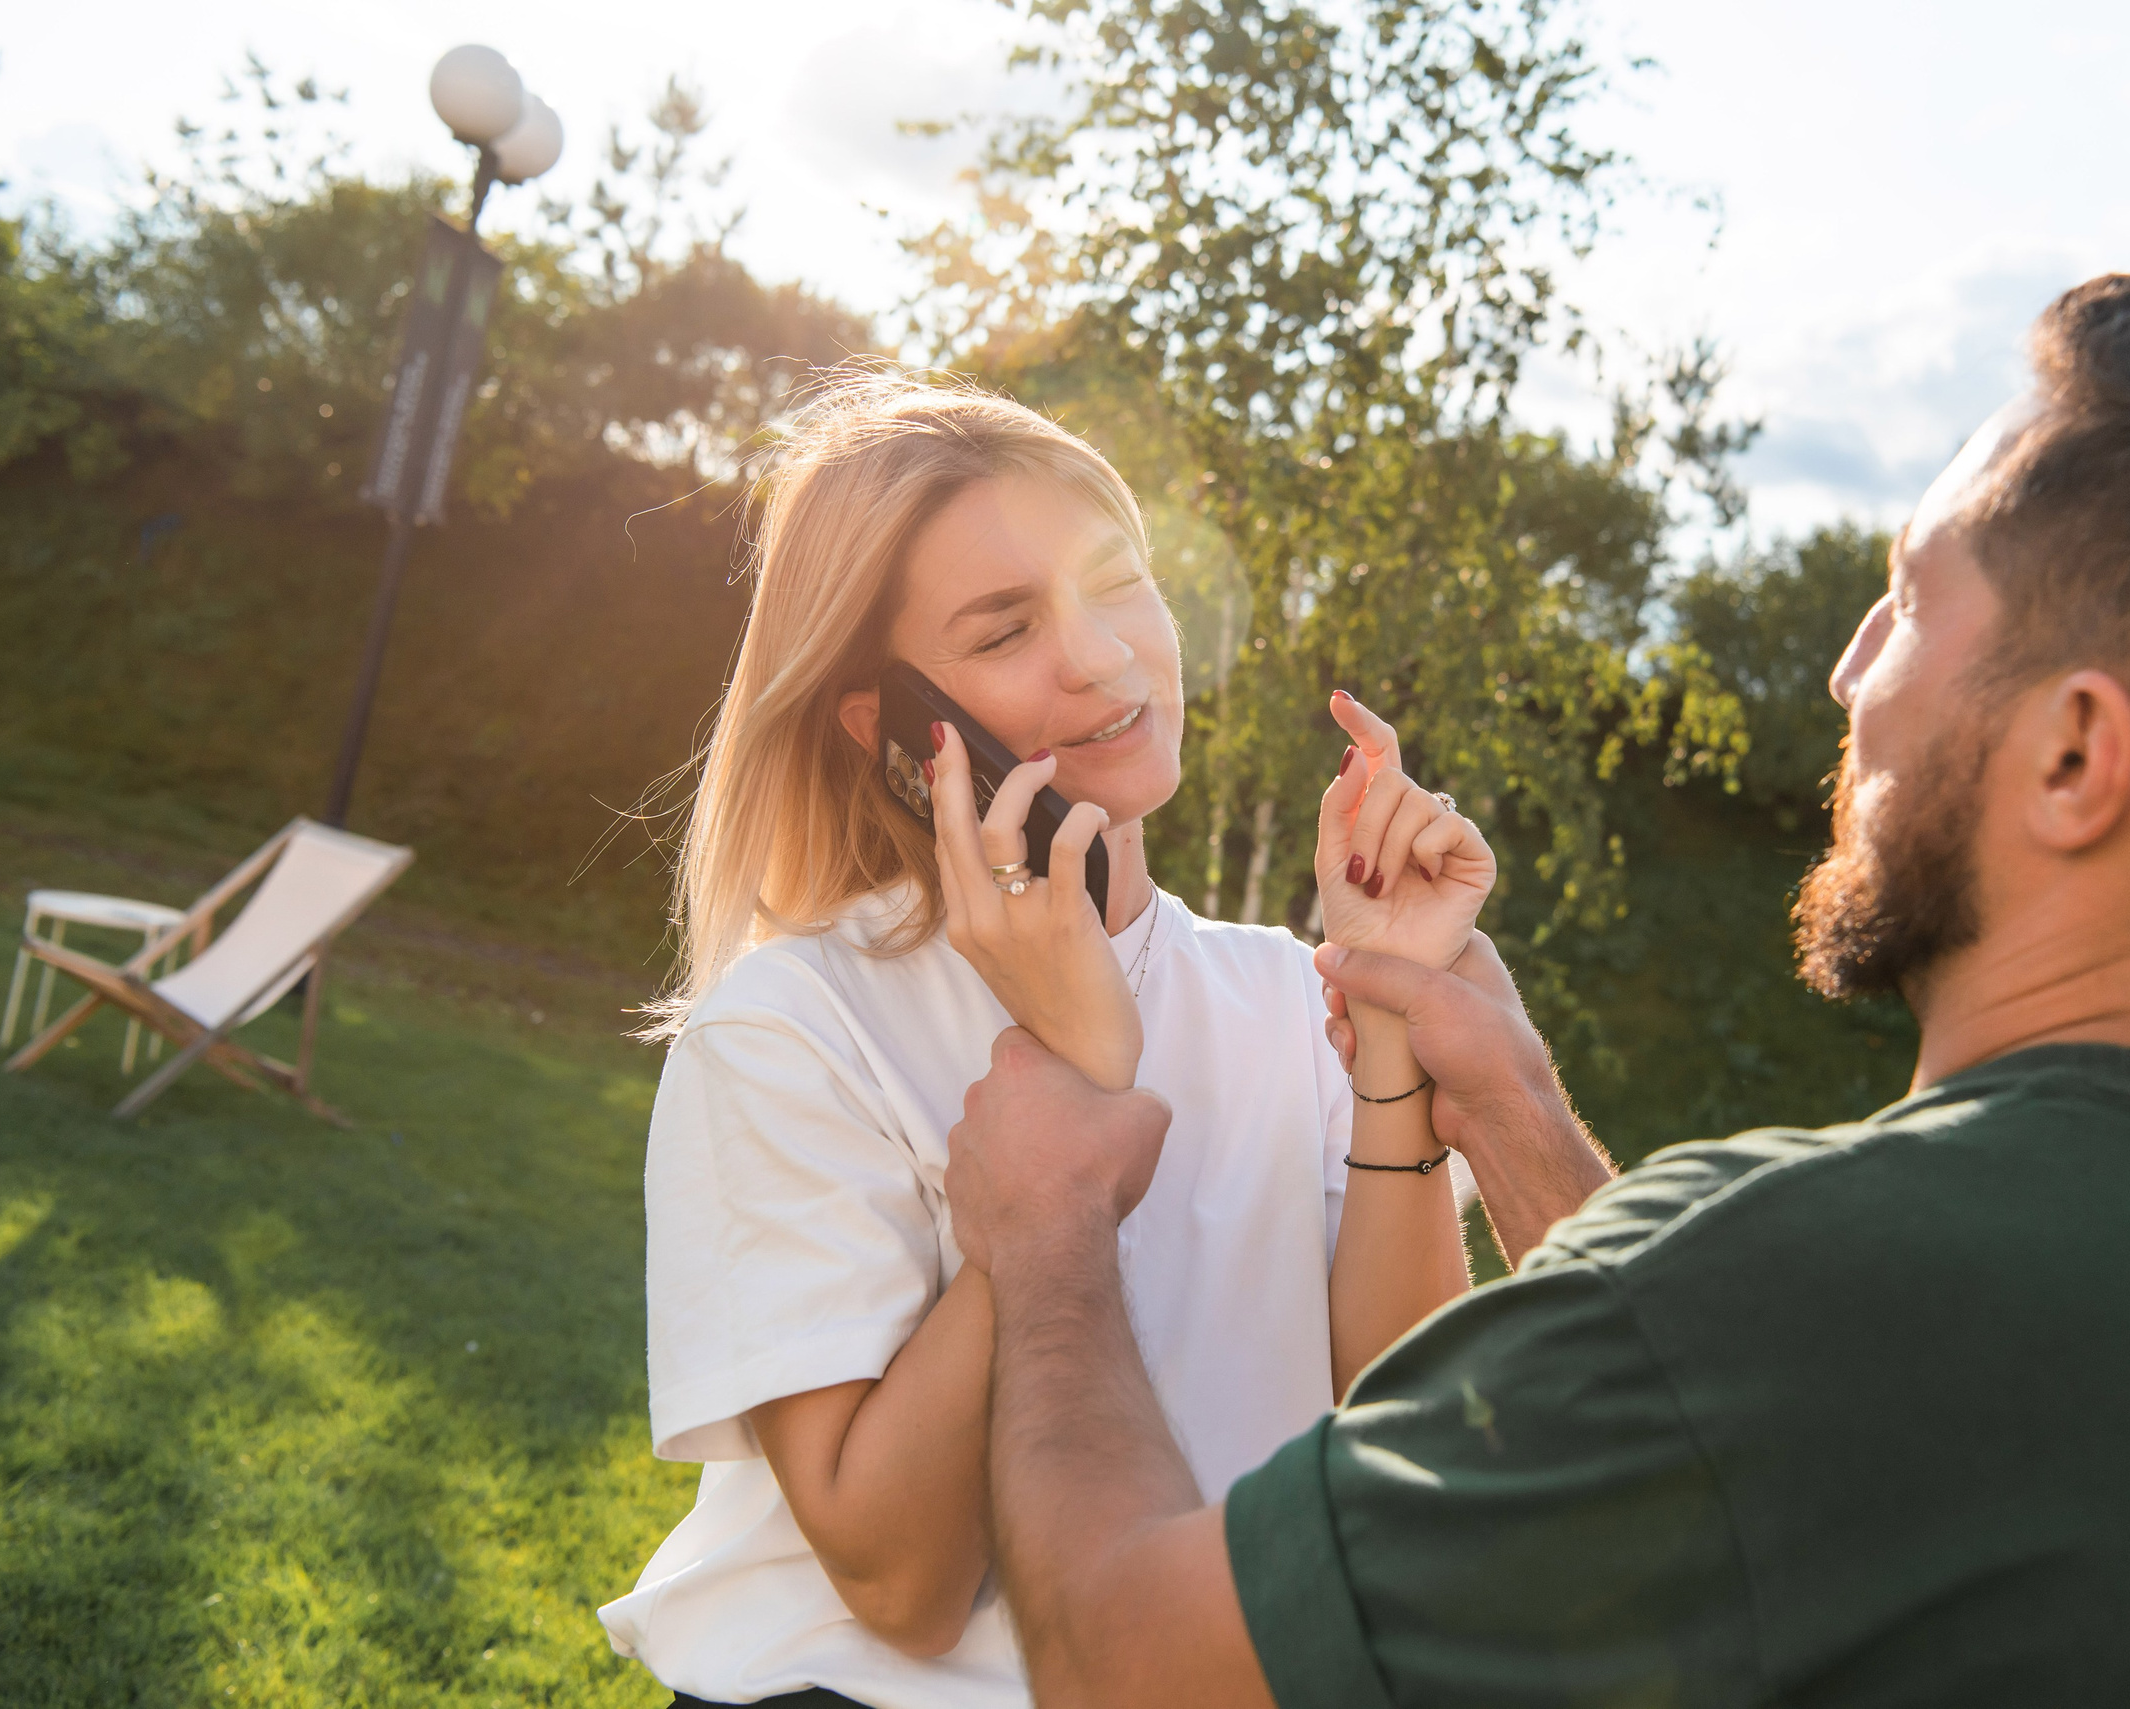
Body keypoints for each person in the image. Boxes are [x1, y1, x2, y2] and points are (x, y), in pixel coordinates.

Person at [940, 273, 2130, 1708]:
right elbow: (1787, 1449)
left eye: (1909, 597)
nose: (1848, 672)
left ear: (2074, 758)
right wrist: (1515, 1113)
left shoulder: (1809, 1287)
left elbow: (1126, 1655)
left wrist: (1050, 1225)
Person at [597, 370, 1495, 1707]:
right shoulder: (790, 1027)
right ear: (890, 725)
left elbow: (1397, 1433)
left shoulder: (1283, 996)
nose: (1102, 654)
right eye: (1007, 628)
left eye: (1117, 577)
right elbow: (901, 1587)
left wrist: (1390, 1028)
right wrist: (1077, 1067)